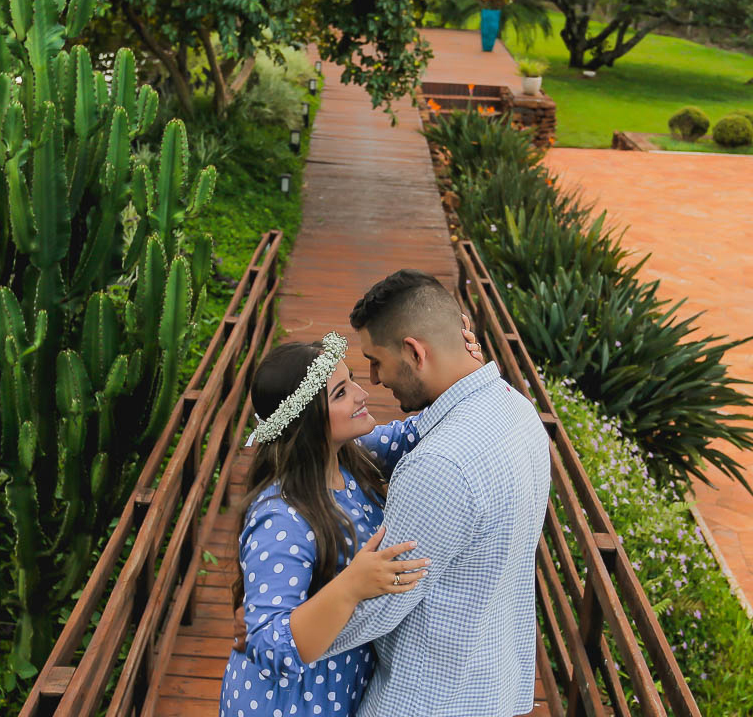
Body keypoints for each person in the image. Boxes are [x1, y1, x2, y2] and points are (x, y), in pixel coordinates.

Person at [219, 318, 484, 717]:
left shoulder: (352, 452)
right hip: (291, 705)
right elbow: (268, 644)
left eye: (352, 381)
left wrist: (465, 367)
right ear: (308, 420)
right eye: (342, 392)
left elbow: (421, 430)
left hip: (341, 688)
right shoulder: (281, 515)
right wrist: (350, 588)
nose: (363, 394)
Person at [321, 269, 550, 716]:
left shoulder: (440, 466)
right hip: (491, 682)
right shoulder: (517, 409)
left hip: (429, 697)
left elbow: (383, 602)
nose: (374, 378)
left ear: (413, 352)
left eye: (376, 360)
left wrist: (281, 633)